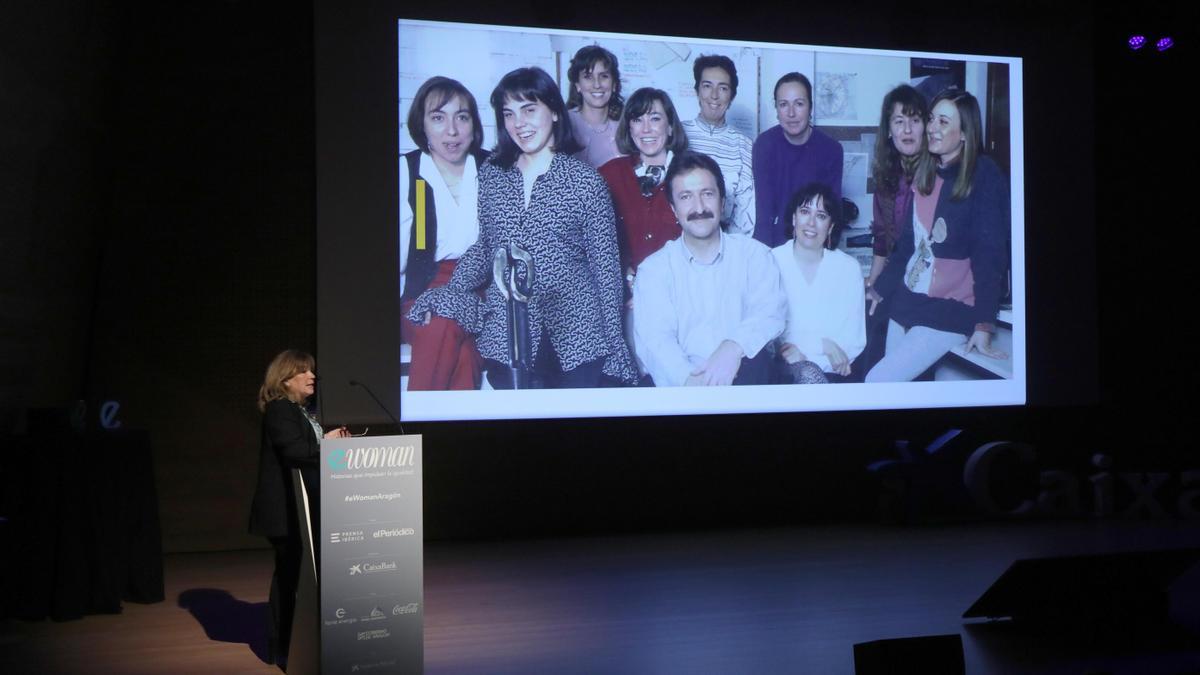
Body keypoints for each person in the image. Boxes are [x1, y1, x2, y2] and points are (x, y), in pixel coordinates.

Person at [407, 67, 635, 389]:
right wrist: (452, 291)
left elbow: (606, 271)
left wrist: (615, 345)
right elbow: (487, 247)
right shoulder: (492, 174)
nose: (519, 124)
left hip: (577, 336)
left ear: (555, 111)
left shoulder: (587, 182)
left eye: (529, 109)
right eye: (509, 113)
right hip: (508, 337)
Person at [866, 88, 1010, 382]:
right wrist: (878, 288)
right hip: (909, 300)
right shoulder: (927, 171)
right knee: (896, 397)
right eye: (932, 119)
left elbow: (989, 255)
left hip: (950, 310)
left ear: (966, 133)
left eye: (943, 122)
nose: (931, 128)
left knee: (877, 383)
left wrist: (983, 324)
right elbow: (908, 247)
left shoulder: (984, 174)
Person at [633, 151, 786, 386]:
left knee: (761, 364)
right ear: (673, 210)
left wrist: (733, 347)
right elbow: (656, 341)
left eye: (707, 194)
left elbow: (769, 313)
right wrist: (690, 381)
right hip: (681, 388)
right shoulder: (654, 270)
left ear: (722, 202)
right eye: (686, 197)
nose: (699, 207)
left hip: (744, 380)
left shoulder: (755, 255)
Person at [248, 350, 348, 666]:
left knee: (296, 576)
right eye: (304, 371)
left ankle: (296, 642)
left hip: (302, 508)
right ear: (285, 378)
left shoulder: (300, 411)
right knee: (290, 577)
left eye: (312, 371)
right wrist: (327, 444)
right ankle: (280, 646)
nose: (312, 376)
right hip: (285, 512)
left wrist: (329, 441)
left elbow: (309, 449)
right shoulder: (280, 410)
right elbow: (294, 450)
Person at [400, 76, 486, 390]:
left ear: (474, 125)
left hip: (480, 293)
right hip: (420, 292)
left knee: (465, 356)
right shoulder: (406, 173)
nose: (451, 131)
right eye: (438, 118)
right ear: (422, 125)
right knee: (442, 324)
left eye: (461, 117)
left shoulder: (492, 170)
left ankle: (417, 435)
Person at [858, 84, 934, 375]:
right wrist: (873, 287)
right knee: (870, 320)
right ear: (888, 130)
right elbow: (881, 241)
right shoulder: (887, 176)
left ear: (925, 126)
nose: (907, 130)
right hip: (894, 277)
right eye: (899, 121)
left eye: (914, 120)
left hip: (926, 283)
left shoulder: (936, 173)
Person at [772, 183, 866, 383]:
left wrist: (807, 357)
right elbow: (773, 333)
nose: (811, 223)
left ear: (831, 226)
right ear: (794, 218)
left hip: (837, 372)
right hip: (782, 371)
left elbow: (853, 340)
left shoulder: (848, 268)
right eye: (805, 212)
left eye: (821, 216)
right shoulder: (771, 262)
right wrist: (823, 345)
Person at [598, 87, 688, 277]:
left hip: (681, 288)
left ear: (670, 126)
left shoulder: (692, 173)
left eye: (655, 118)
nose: (646, 129)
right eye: (637, 120)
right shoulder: (608, 174)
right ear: (629, 129)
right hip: (624, 291)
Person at [752, 72, 844, 248]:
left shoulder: (831, 150)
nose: (791, 113)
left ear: (810, 107)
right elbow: (764, 212)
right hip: (774, 246)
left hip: (815, 245)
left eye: (799, 104)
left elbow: (833, 213)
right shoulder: (764, 145)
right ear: (777, 110)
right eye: (783, 105)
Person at [680, 54, 755, 235]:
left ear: (732, 95)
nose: (714, 96)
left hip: (725, 242)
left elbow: (745, 213)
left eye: (723, 88)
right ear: (697, 90)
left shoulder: (744, 145)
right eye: (707, 86)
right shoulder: (677, 133)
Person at [565, 45, 625, 168]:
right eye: (588, 77)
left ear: (614, 84)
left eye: (604, 76)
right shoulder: (564, 123)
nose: (597, 84)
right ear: (577, 85)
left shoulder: (626, 125)